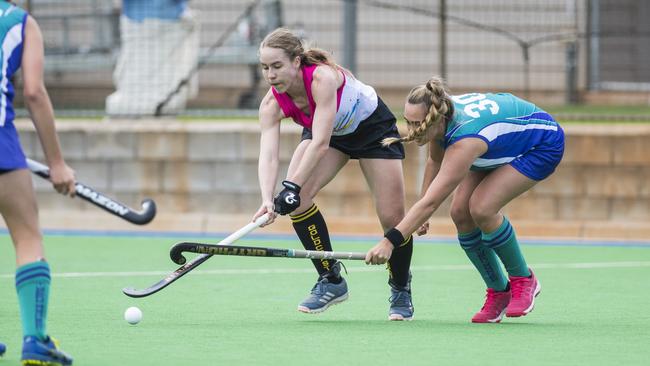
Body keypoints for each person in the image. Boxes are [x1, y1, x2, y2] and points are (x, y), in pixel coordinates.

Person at [365, 77, 564, 323]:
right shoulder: (440, 119)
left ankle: (523, 279)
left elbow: (431, 203)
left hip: (540, 144)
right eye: (407, 121)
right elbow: (435, 162)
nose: (411, 130)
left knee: (482, 208)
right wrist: (420, 216)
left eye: (418, 124)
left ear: (435, 119)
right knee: (460, 213)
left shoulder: (465, 140)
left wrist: (390, 241)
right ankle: (499, 292)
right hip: (496, 144)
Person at [252, 28, 415, 320]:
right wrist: (268, 198)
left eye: (277, 66)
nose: (271, 74)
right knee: (298, 201)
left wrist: (290, 185)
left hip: (371, 129)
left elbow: (320, 143)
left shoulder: (321, 79)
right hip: (329, 133)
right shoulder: (271, 103)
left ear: (296, 62)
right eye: (265, 68)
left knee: (393, 218)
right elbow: (269, 153)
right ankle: (331, 279)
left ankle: (401, 286)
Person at [0, 1, 75, 364]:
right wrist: (57, 163)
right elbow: (33, 92)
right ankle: (35, 340)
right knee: (28, 237)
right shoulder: (20, 22)